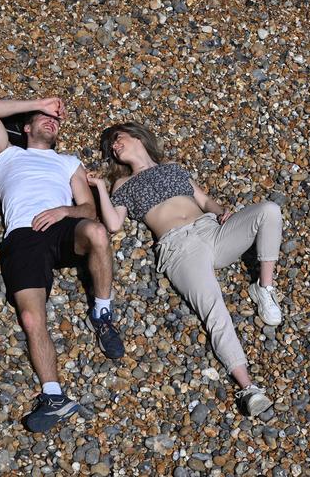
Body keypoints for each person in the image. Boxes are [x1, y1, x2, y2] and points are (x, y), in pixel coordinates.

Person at [87, 122, 284, 416]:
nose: (114, 147)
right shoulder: (122, 185)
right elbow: (113, 225)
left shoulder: (173, 168)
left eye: (117, 139)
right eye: (111, 148)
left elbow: (203, 200)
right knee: (213, 310)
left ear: (138, 136)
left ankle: (264, 288)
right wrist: (101, 188)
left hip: (212, 231)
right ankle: (249, 387)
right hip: (178, 247)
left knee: (269, 210)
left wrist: (221, 211)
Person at [0, 97, 125, 432]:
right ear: (26, 127)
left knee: (98, 233)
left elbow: (88, 209)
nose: (52, 121)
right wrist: (41, 101)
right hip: (22, 235)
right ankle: (54, 397)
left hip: (62, 227)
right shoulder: (7, 154)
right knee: (31, 317)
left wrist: (64, 211)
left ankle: (102, 312)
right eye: (43, 118)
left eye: (56, 120)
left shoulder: (68, 162)